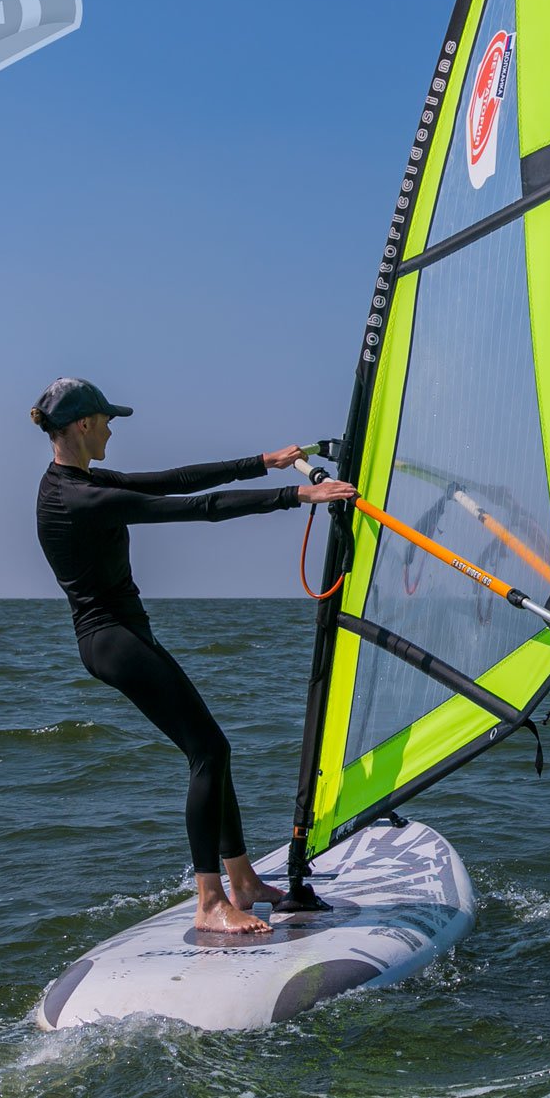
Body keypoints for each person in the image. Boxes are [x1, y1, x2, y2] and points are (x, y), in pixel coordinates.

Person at [30, 377, 355, 933]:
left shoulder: (78, 481)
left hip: (123, 634)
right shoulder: (80, 498)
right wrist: (296, 496)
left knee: (214, 748)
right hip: (112, 641)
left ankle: (243, 882)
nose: (111, 429)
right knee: (207, 750)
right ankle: (210, 902)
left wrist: (265, 462)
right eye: (106, 420)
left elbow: (176, 479)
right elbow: (199, 508)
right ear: (83, 425)